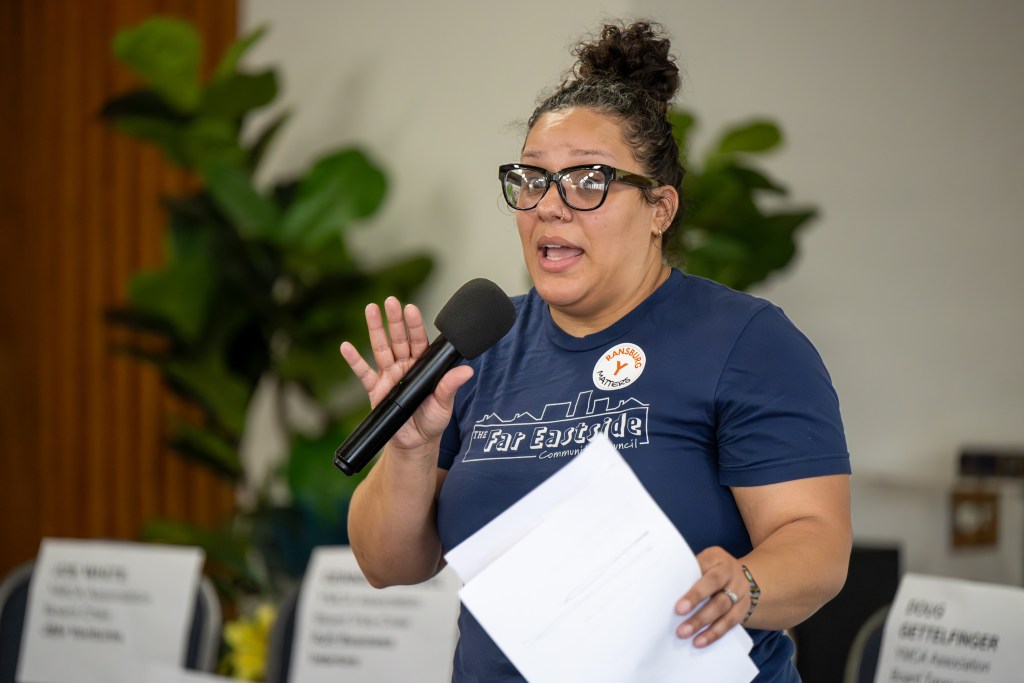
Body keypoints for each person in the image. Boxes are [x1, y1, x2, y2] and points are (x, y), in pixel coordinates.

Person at [341, 20, 851, 682]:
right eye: (532, 179)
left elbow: (816, 541)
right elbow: (388, 565)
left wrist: (745, 584)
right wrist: (409, 449)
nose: (549, 207)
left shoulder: (746, 341)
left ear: (660, 208)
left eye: (588, 181)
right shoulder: (482, 345)